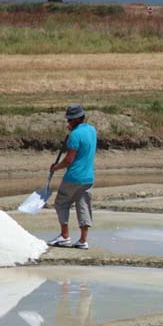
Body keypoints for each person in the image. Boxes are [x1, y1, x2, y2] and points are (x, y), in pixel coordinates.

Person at [48, 104, 97, 249]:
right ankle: (83, 240)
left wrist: (56, 167)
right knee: (83, 205)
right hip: (88, 177)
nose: (68, 123)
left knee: (61, 203)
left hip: (74, 176)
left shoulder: (75, 135)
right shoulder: (92, 130)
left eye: (70, 120)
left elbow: (69, 159)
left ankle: (64, 236)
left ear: (76, 119)